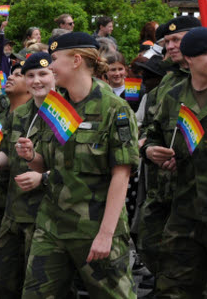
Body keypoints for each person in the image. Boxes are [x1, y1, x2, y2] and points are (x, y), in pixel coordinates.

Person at [15, 32, 138, 297]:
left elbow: (121, 174)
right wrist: (30, 157)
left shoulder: (114, 109)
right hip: (52, 226)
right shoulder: (55, 105)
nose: (50, 66)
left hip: (94, 226)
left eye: (54, 59)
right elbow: (45, 165)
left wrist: (106, 235)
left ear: (76, 61)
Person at [143, 27, 207, 296]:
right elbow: (152, 137)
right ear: (190, 59)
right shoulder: (172, 98)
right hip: (185, 213)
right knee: (173, 289)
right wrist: (152, 152)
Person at [135, 16, 198, 291]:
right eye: (166, 42)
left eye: (176, 40)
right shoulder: (168, 81)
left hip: (200, 192)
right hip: (161, 189)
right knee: (150, 247)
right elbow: (153, 126)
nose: (169, 47)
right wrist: (148, 146)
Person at [0, 53, 51, 298]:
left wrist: (43, 177)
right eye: (30, 75)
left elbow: (72, 165)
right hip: (14, 210)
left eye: (43, 74)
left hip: (47, 215)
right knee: (1, 281)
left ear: (55, 76)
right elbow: (7, 153)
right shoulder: (20, 114)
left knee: (38, 285)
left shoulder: (65, 113)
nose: (36, 80)